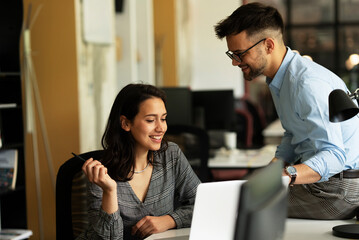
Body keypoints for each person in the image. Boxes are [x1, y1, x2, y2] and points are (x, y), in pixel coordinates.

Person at [214, 2, 359, 220]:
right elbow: (294, 133)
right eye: (232, 54)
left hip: (337, 190)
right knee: (239, 195)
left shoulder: (307, 84)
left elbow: (335, 156)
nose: (235, 63)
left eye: (239, 54)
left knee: (236, 206)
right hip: (325, 184)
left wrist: (287, 174)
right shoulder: (280, 79)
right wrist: (275, 167)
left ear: (269, 45)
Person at [76, 83, 201, 240]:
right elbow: (109, 238)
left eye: (163, 119)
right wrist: (109, 191)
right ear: (126, 123)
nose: (161, 128)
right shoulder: (101, 172)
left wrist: (170, 221)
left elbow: (204, 205)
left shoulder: (171, 155)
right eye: (150, 120)